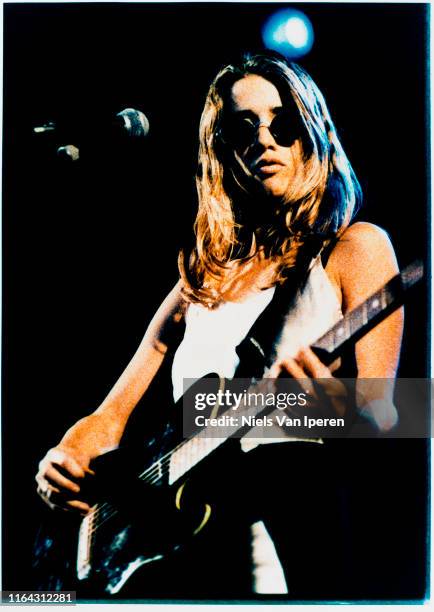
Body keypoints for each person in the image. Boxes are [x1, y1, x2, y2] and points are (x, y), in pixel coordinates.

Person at [35, 52, 403, 598]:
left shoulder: (356, 250)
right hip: (174, 560)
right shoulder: (200, 279)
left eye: (284, 122)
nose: (265, 139)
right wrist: (63, 460)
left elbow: (391, 415)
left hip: (274, 547)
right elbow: (108, 416)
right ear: (223, 149)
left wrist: (328, 408)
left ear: (314, 131)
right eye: (243, 126)